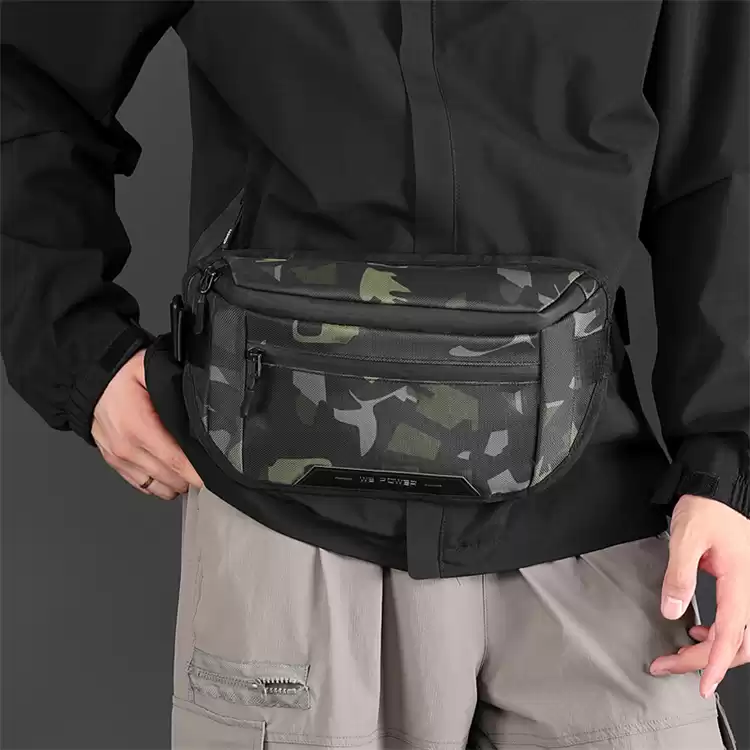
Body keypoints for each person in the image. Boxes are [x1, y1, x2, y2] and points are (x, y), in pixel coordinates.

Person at [2, 1, 748, 748]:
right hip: (286, 516)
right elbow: (26, 77)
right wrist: (79, 351)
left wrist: (731, 466)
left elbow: (726, 154)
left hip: (587, 501)